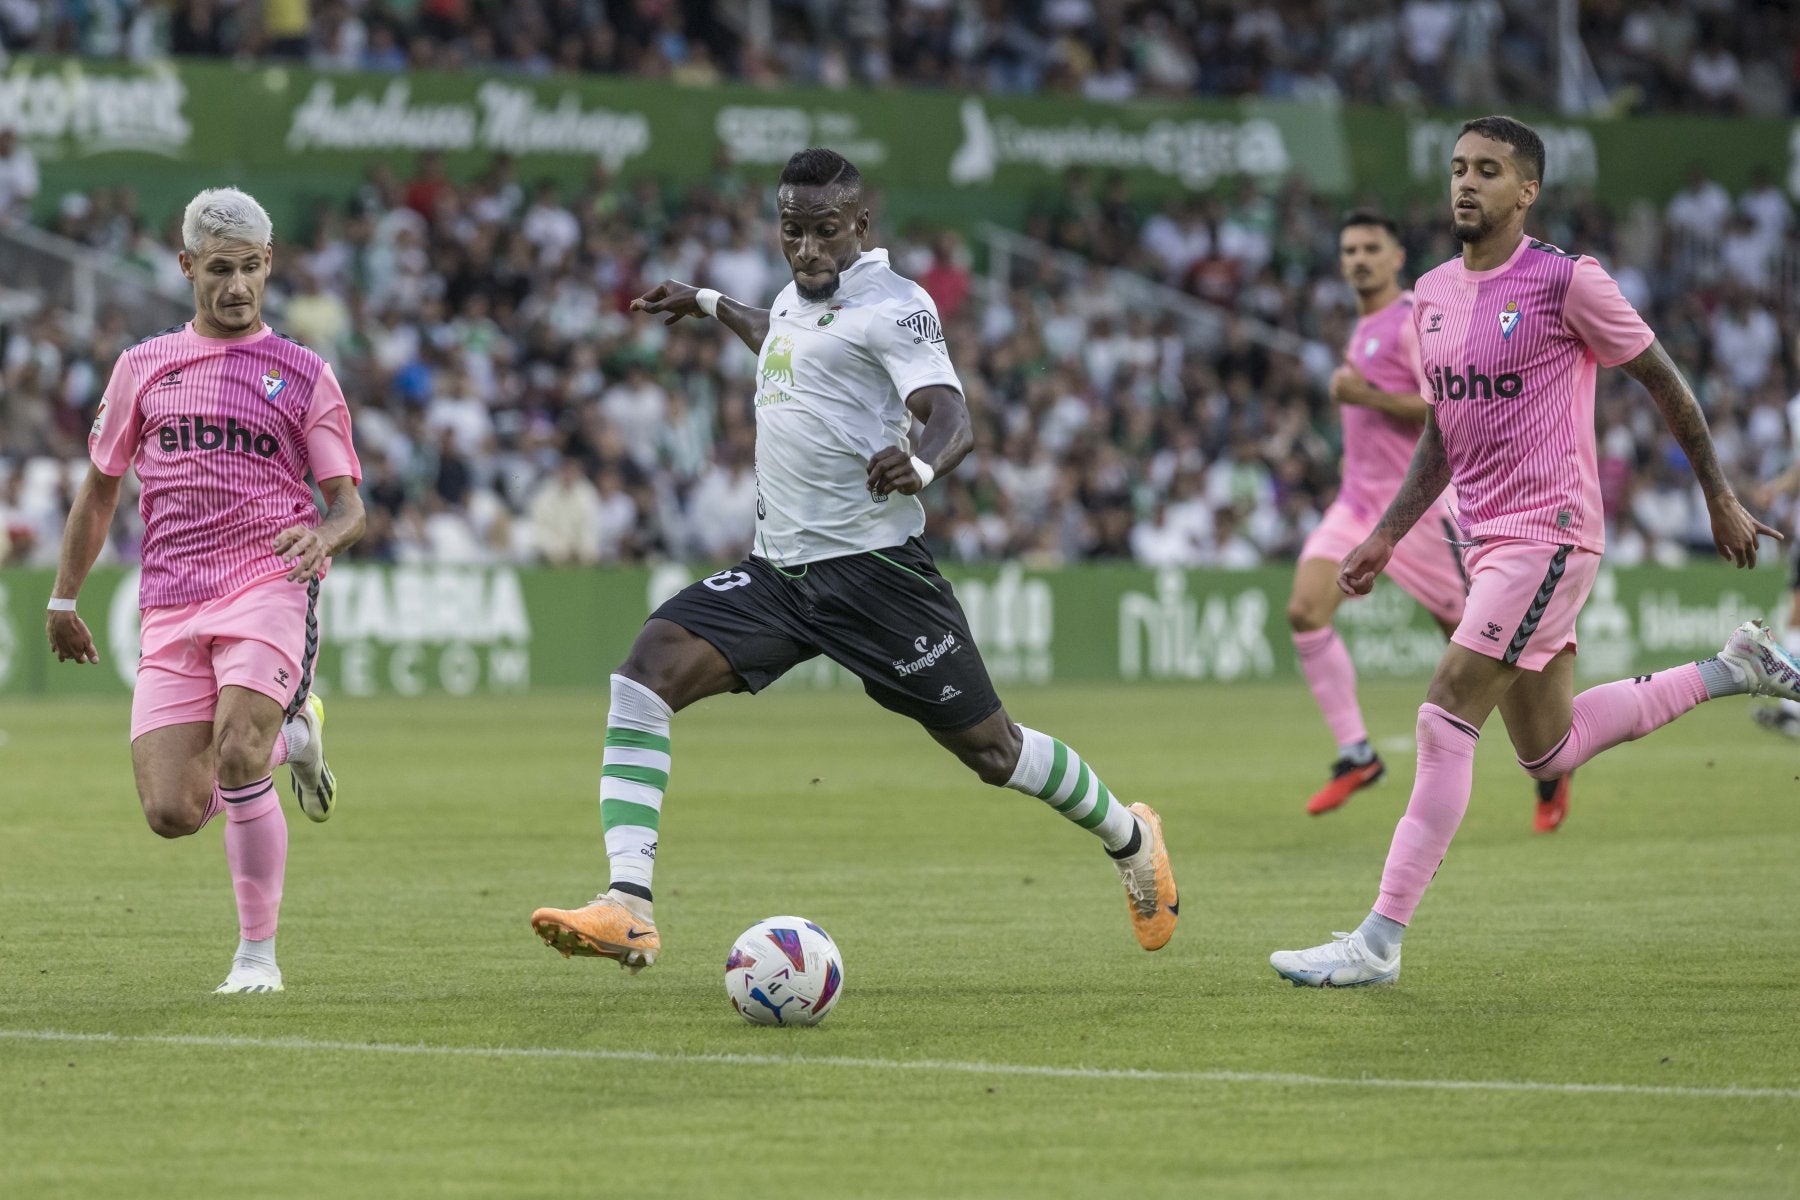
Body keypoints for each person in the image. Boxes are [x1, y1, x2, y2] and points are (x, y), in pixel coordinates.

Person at [530, 148, 1177, 973]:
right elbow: (781, 340)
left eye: (824, 231)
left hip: (877, 577)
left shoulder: (897, 306)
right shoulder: (793, 299)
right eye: (791, 230)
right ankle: (627, 904)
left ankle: (1131, 837)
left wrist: (926, 464)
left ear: (861, 225)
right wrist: (705, 300)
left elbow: (951, 413)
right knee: (643, 676)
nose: (805, 249)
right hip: (779, 575)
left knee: (993, 752)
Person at [1270, 116, 1797, 988]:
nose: (1465, 185)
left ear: (1527, 191)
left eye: (1487, 171)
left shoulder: (1566, 282)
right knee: (1548, 752)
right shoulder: (1433, 292)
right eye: (1456, 169)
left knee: (1445, 713)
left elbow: (1664, 379)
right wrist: (1390, 531)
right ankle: (1734, 667)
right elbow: (1443, 430)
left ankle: (1377, 942)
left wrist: (1718, 491)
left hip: (1549, 534)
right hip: (1485, 543)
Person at [46, 187, 365, 995]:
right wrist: (62, 598)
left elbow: (350, 506)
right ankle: (296, 737)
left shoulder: (305, 374)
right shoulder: (142, 367)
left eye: (250, 270)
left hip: (270, 581)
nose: (235, 287)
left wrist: (322, 538)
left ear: (269, 266)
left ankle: (256, 957)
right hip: (173, 598)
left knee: (236, 751)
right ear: (187, 266)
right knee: (172, 811)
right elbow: (101, 489)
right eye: (218, 269)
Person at [1290, 211, 1573, 830]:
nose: (1358, 259)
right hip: (1356, 504)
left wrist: (1363, 396)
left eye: (1371, 248)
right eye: (1349, 249)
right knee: (1305, 611)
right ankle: (1356, 754)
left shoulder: (1419, 315)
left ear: (1397, 257)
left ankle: (1549, 759)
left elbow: (1440, 405)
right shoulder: (1363, 326)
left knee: (1477, 651)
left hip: (1415, 513)